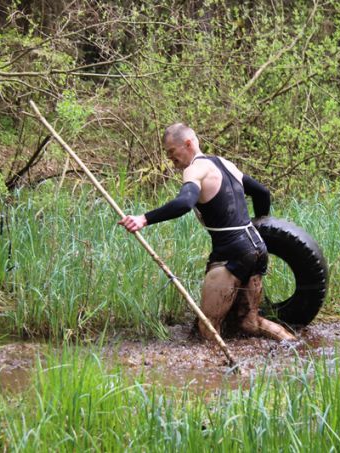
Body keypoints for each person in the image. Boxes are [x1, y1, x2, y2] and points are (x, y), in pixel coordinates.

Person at [119, 123, 296, 342]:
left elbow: (184, 203)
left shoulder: (195, 169)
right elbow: (262, 193)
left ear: (188, 143)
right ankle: (295, 348)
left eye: (172, 152)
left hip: (231, 255)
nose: (170, 159)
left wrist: (143, 219)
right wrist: (258, 228)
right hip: (257, 249)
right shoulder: (226, 164)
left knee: (208, 329)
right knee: (250, 323)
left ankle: (216, 374)